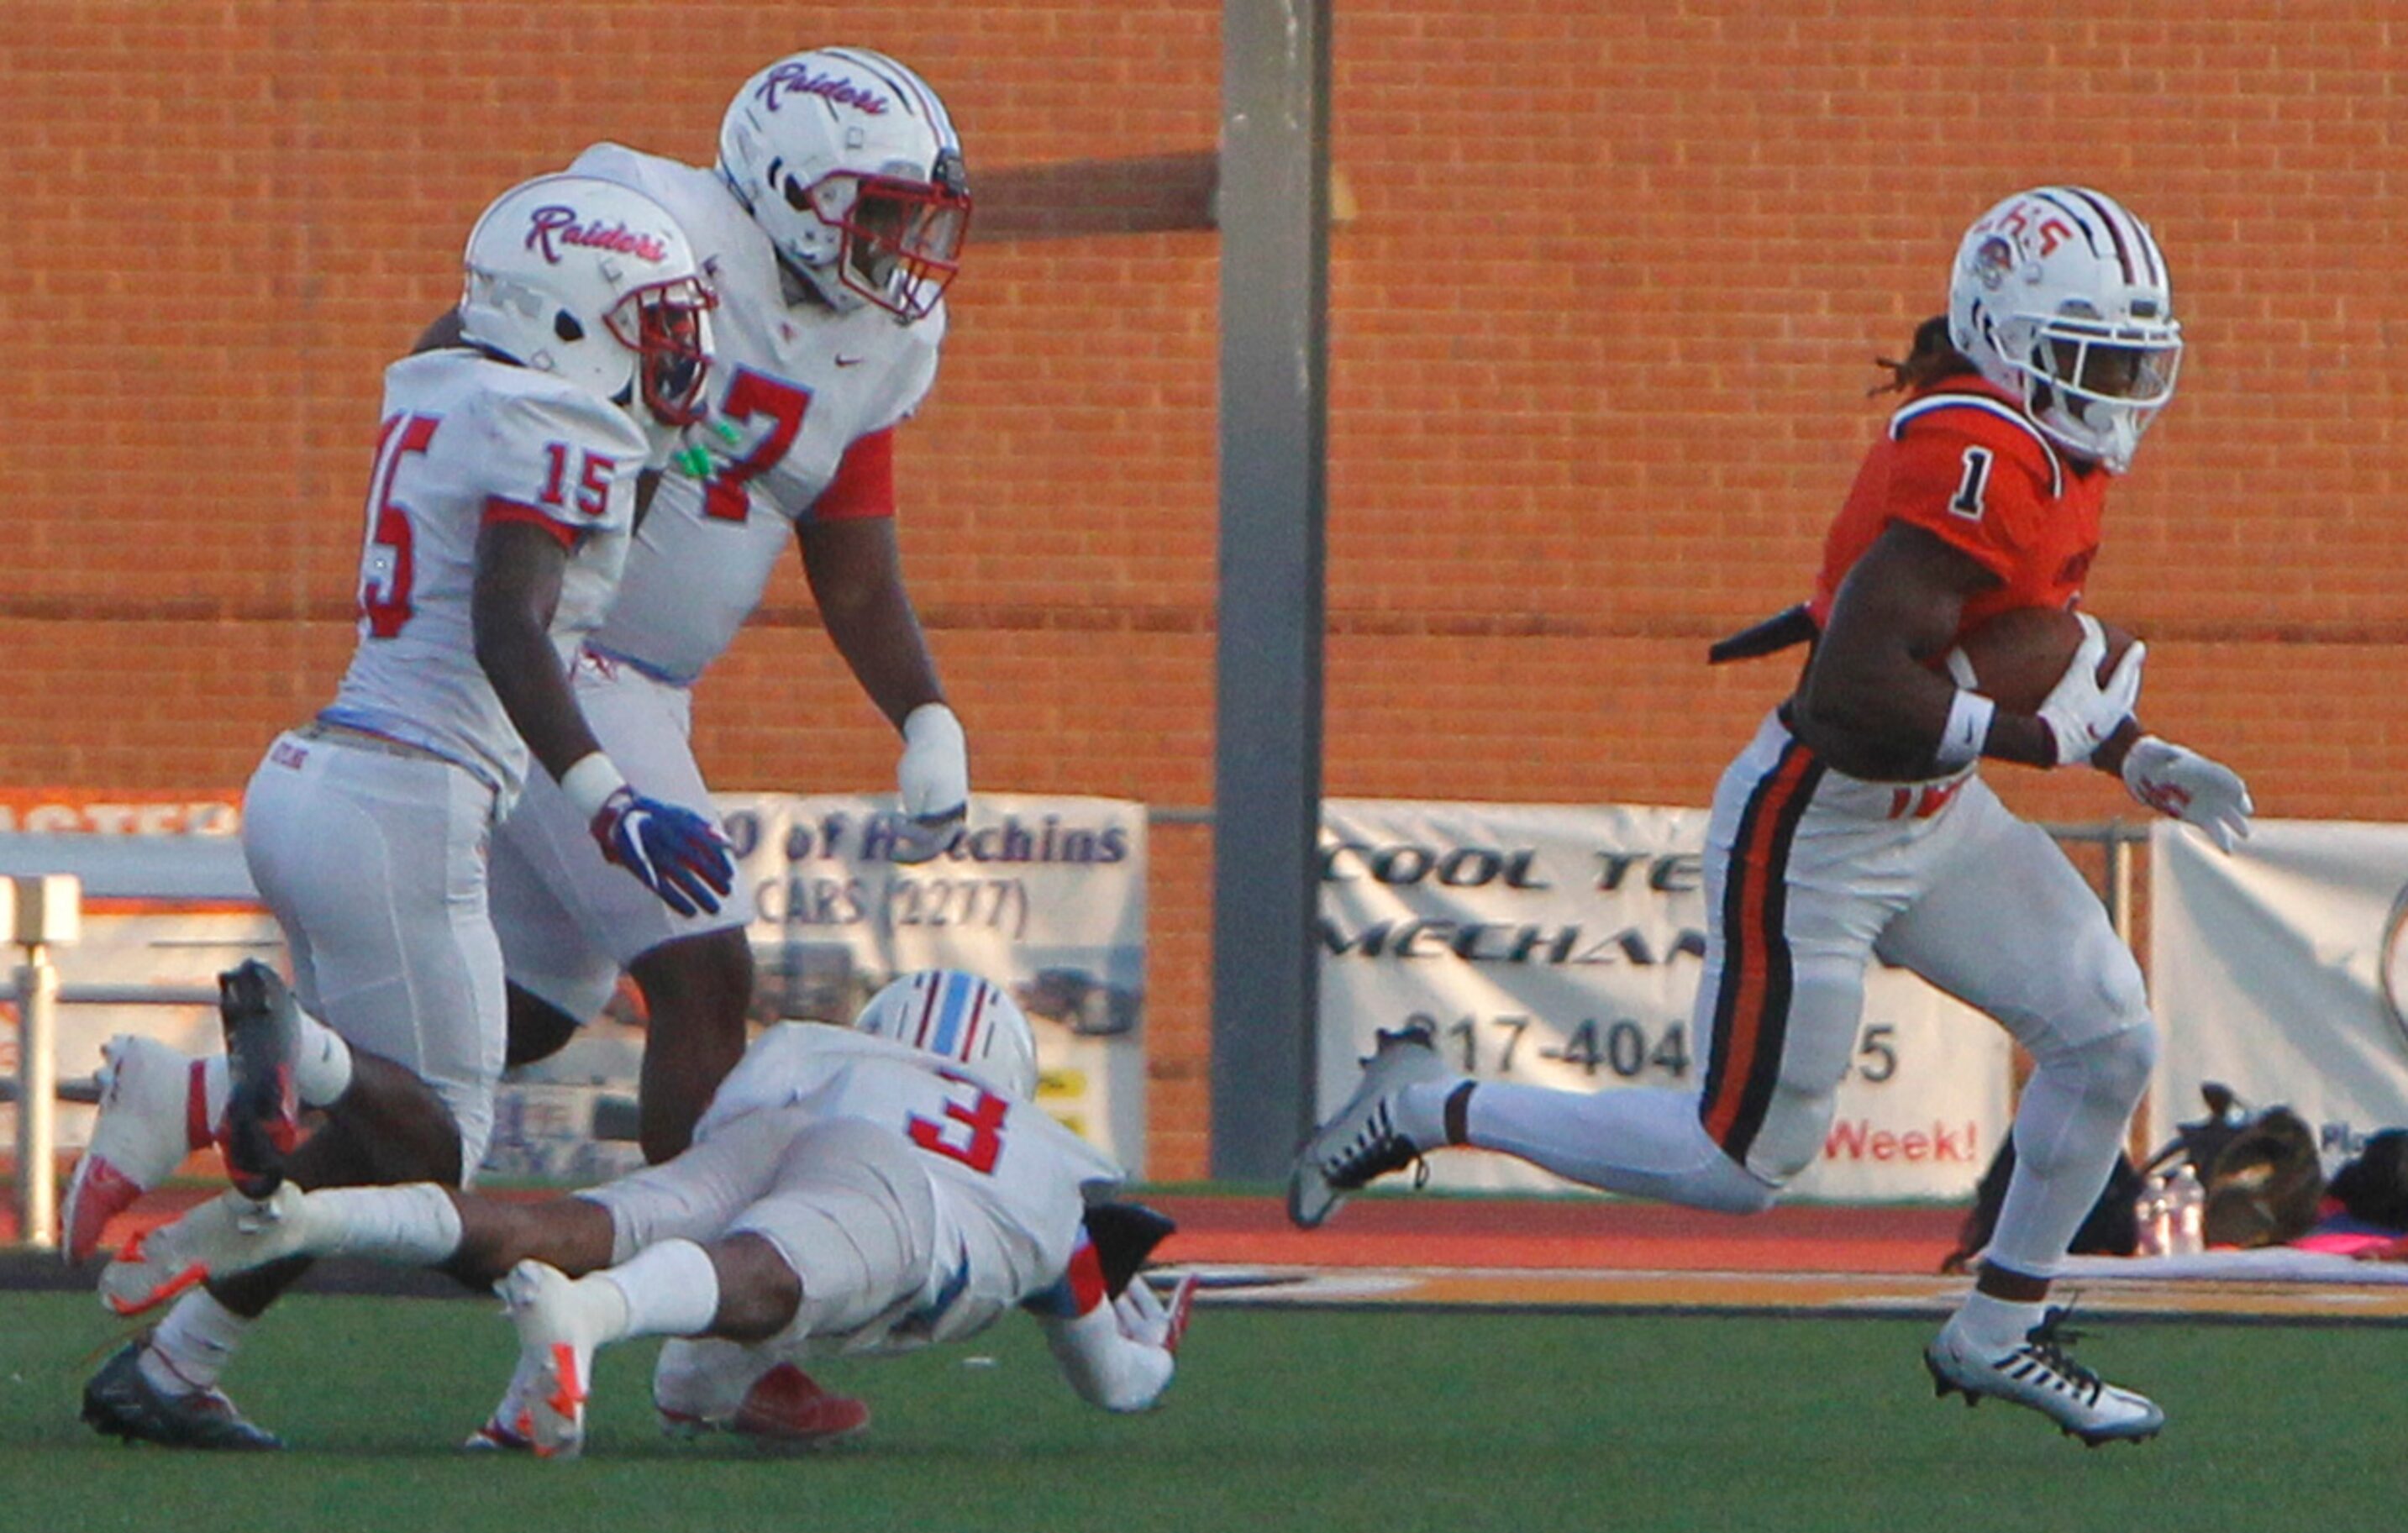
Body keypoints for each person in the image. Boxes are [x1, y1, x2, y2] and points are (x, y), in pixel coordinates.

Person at [1289, 186, 2253, 1446]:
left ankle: (1996, 1329)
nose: (2118, 386)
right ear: (2005, 338)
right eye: (2090, 356)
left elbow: (2011, 647)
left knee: (2107, 1038)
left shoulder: (2043, 450)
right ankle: (1425, 1104)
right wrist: (2042, 741)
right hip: (1822, 823)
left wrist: (2129, 754)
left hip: (1933, 810)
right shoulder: (1977, 452)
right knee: (1731, 1168)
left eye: (2133, 356)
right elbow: (1852, 696)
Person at [73, 171, 733, 1450]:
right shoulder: (560, 421)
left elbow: (519, 391)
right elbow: (510, 621)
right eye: (648, 321)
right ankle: (235, 1075)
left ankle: (174, 1354)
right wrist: (607, 800)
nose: (672, 351)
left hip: (319, 776)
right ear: (566, 320)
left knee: (373, 1140)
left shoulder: (443, 377)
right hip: (404, 803)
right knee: (435, 1149)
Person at [476, 45, 975, 1171]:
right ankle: (685, 1288)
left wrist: (926, 715)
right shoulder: (659, 231)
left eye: (919, 213)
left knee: (523, 1008)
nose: (906, 243)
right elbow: (469, 354)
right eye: (884, 208)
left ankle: (208, 1094)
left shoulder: (873, 343)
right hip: (557, 652)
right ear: (797, 188)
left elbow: (852, 567)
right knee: (704, 970)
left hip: (644, 683)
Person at [98, 970, 1197, 1458]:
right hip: (897, 1190)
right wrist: (1153, 1347)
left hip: (784, 1127)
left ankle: (307, 1216)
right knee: (760, 1271)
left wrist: (751, 1394)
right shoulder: (1046, 1167)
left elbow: (693, 1374)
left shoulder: (828, 1047)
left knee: (574, 1222)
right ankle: (585, 1318)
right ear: (1002, 1074)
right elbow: (1117, 1383)